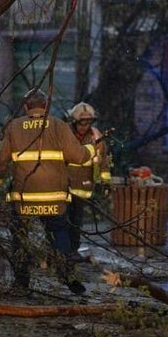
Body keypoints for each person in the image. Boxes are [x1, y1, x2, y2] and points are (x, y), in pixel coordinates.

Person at [0, 88, 95, 295]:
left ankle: (21, 282)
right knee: (59, 233)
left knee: (20, 237)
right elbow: (79, 157)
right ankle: (68, 277)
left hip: (23, 200)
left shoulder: (14, 128)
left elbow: (0, 163)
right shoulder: (59, 126)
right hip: (54, 200)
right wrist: (92, 147)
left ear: (26, 106)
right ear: (46, 107)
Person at [65, 101, 111, 262]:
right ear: (74, 122)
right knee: (61, 220)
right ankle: (60, 251)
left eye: (88, 123)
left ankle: (73, 250)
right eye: (82, 123)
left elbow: (103, 162)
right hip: (63, 186)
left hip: (83, 187)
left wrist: (106, 183)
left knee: (76, 221)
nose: (85, 126)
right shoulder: (64, 134)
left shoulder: (96, 137)